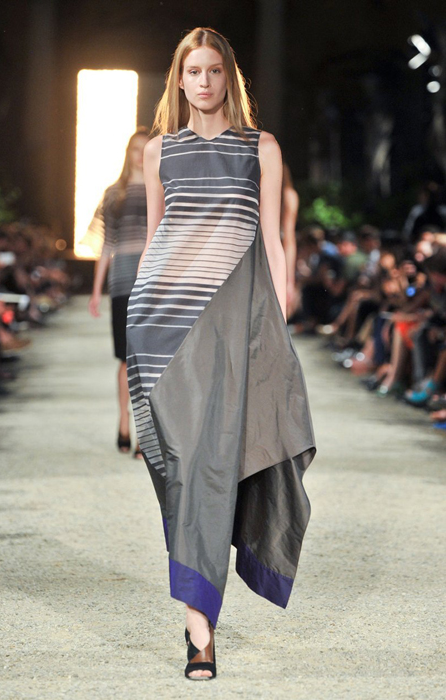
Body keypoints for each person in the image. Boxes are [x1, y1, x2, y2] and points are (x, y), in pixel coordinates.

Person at [126, 28, 315, 680]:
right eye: (193, 72)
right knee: (185, 467)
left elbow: (273, 240)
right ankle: (198, 630)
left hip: (236, 326)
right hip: (164, 327)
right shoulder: (160, 151)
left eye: (213, 71)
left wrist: (279, 323)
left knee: (222, 461)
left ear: (228, 77)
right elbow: (155, 238)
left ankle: (201, 611)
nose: (203, 82)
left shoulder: (260, 148)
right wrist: (135, 328)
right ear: (178, 80)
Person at [88, 128, 150, 455]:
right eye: (135, 149)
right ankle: (124, 421)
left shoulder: (161, 189)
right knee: (126, 359)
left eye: (145, 149)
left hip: (152, 280)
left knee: (148, 359)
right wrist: (96, 290)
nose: (140, 155)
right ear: (128, 153)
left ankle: (144, 432)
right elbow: (107, 244)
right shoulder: (114, 194)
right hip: (123, 281)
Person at [281, 163, 299, 319]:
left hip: (274, 256)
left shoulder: (288, 196)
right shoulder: (289, 196)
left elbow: (289, 241)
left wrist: (289, 281)